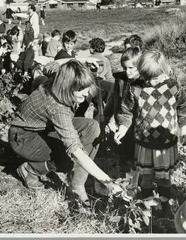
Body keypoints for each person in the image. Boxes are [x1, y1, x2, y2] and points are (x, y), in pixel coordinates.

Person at [8, 59, 123, 206]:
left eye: (86, 89)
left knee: (91, 126)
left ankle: (77, 183)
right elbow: (75, 149)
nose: (86, 94)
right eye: (81, 91)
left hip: (43, 129)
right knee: (70, 158)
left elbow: (51, 65)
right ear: (68, 87)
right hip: (23, 138)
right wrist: (108, 182)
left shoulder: (60, 78)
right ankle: (30, 169)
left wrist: (85, 58)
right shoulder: (57, 107)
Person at [113, 50, 186, 218]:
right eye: (146, 77)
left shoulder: (173, 86)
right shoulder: (135, 88)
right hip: (144, 143)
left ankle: (165, 205)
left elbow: (183, 108)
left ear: (164, 71)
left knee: (165, 179)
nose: (150, 82)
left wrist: (185, 130)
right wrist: (122, 128)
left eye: (155, 78)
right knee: (146, 178)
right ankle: (146, 206)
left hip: (166, 144)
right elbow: (126, 112)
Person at [104, 47, 143, 173]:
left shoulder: (143, 84)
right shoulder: (120, 79)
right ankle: (123, 168)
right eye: (125, 68)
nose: (127, 72)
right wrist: (107, 115)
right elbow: (113, 98)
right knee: (122, 146)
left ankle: (136, 172)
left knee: (137, 151)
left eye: (131, 68)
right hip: (122, 118)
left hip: (138, 123)